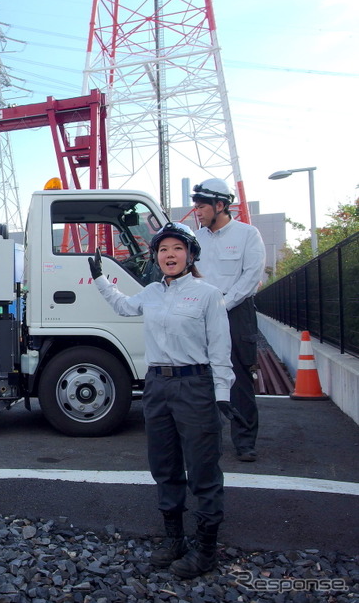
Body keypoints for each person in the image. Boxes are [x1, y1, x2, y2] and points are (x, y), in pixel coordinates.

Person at [88, 222, 234, 578]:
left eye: (177, 248)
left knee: (202, 469)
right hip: (156, 386)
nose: (170, 254)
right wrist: (100, 279)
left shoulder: (207, 294)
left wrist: (222, 394)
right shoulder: (151, 291)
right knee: (164, 465)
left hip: (195, 384)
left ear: (191, 254)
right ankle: (175, 540)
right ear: (156, 256)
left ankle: (207, 550)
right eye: (164, 249)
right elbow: (124, 307)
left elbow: (220, 348)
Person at [192, 178, 266, 462]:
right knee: (199, 377)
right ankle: (205, 441)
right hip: (199, 313)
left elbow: (250, 277)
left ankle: (245, 441)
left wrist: (221, 305)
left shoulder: (248, 235)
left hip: (236, 314)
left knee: (238, 380)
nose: (197, 211)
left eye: (202, 206)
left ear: (220, 205)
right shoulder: (195, 240)